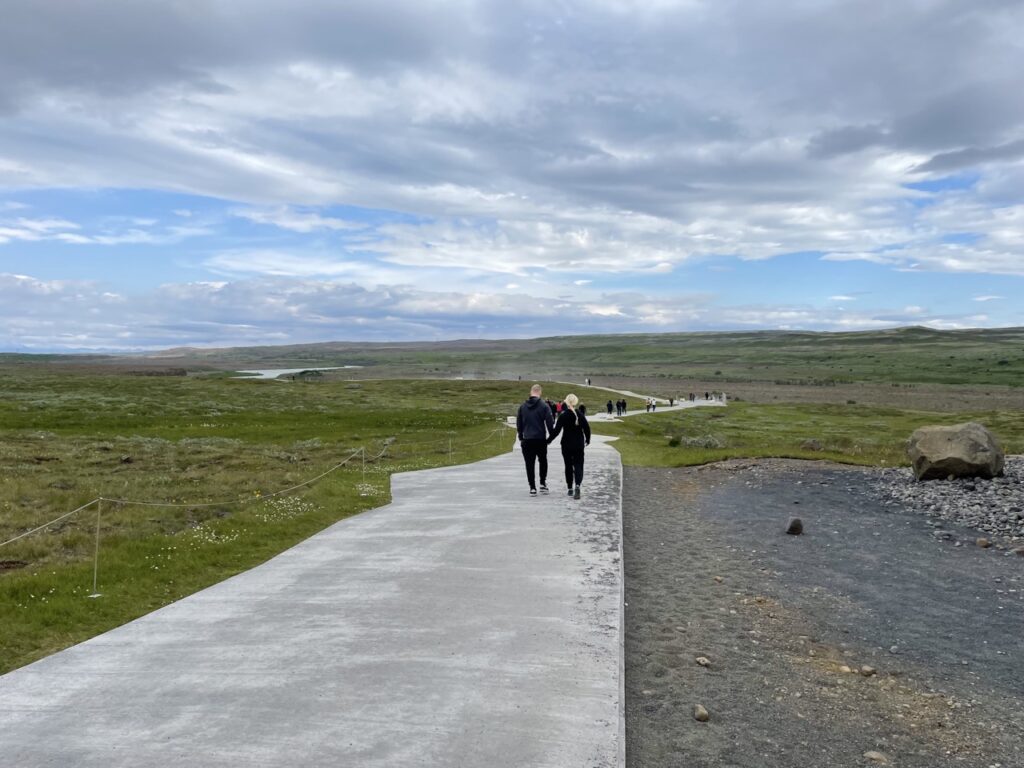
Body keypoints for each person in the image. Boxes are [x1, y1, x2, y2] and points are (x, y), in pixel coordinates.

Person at [547, 393, 591, 500]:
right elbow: (587, 428)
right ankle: (577, 485)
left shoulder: (563, 415)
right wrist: (587, 440)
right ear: (575, 402)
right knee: (578, 465)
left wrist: (548, 441)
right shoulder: (580, 415)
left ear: (566, 402)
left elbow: (556, 431)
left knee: (568, 466)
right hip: (578, 444)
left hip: (566, 444)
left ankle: (570, 488)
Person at [517, 384, 554, 495]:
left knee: (529, 463)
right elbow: (549, 423)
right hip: (540, 439)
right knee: (543, 461)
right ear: (540, 392)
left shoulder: (522, 407)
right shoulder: (544, 406)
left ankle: (532, 487)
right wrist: (550, 438)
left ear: (531, 392)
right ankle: (542, 483)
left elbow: (519, 424)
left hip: (527, 439)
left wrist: (521, 437)